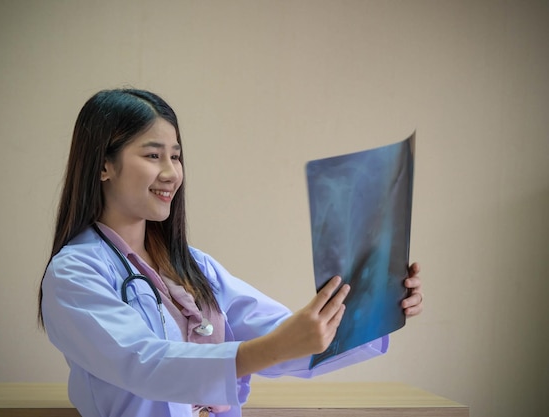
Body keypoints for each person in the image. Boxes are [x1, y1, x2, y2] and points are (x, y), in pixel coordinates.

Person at [38, 88, 424, 417]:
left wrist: (376, 303)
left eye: (176, 156)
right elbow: (146, 364)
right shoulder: (74, 273)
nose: (172, 172)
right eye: (153, 156)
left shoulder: (191, 265)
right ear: (103, 165)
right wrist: (273, 346)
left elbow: (285, 336)